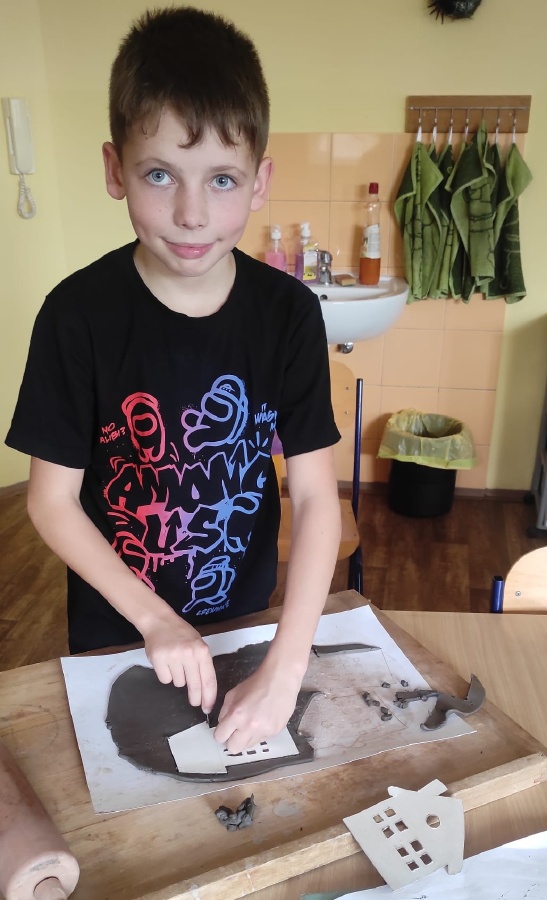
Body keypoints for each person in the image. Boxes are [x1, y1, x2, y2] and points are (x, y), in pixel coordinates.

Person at [5, 6, 341, 754]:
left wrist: (285, 666)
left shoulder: (289, 313)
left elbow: (318, 497)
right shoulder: (75, 316)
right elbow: (50, 500)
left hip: (243, 618)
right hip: (120, 626)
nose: (192, 215)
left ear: (259, 181)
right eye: (159, 174)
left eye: (222, 179)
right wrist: (154, 618)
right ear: (114, 170)